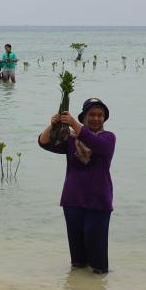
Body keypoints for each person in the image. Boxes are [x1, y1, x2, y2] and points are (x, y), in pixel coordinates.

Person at [38, 98, 115, 274]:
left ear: (104, 119)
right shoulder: (72, 139)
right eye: (92, 115)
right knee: (78, 261)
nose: (96, 119)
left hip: (98, 203)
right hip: (72, 201)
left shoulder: (108, 138)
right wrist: (53, 125)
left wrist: (73, 123)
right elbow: (44, 143)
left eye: (100, 115)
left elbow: (96, 145)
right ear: (84, 117)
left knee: (98, 263)